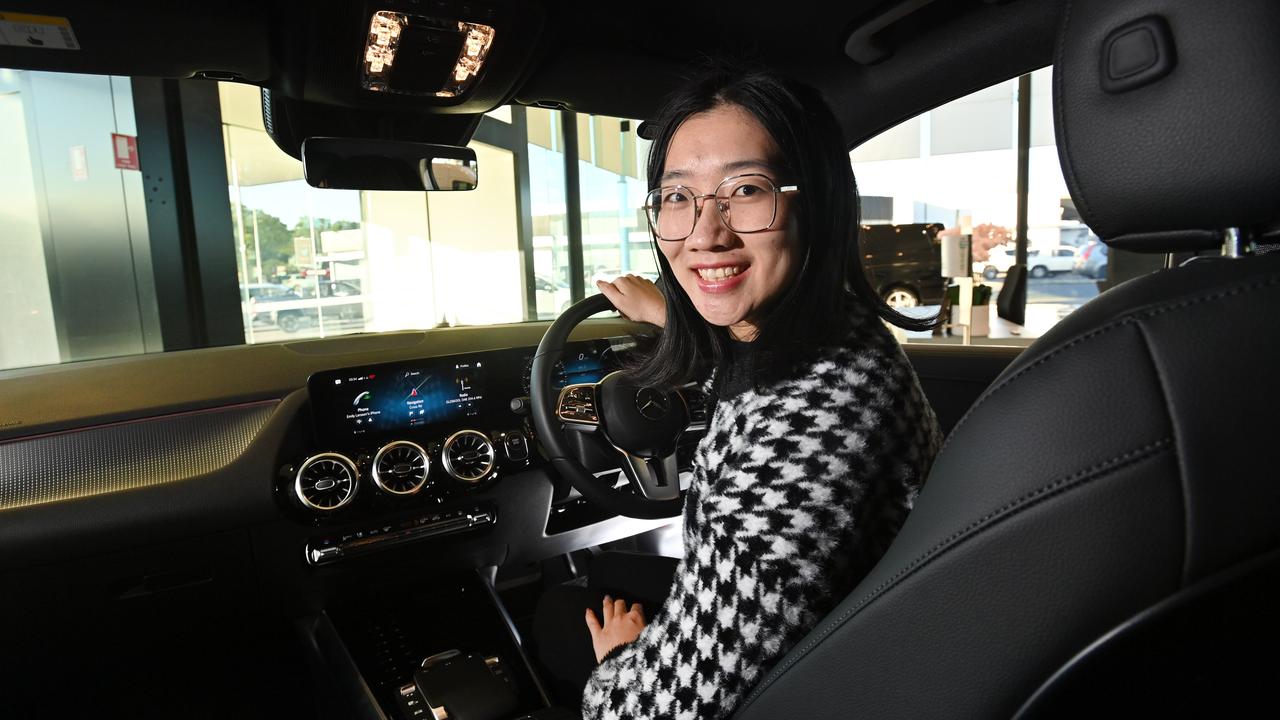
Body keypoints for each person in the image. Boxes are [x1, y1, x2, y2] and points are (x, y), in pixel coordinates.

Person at [532, 65, 942, 720]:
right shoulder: (833, 345)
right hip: (837, 646)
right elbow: (750, 380)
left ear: (818, 202)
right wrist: (669, 313)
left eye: (744, 190)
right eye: (675, 198)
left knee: (559, 618)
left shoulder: (808, 430)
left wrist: (616, 665)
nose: (703, 234)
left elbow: (662, 712)